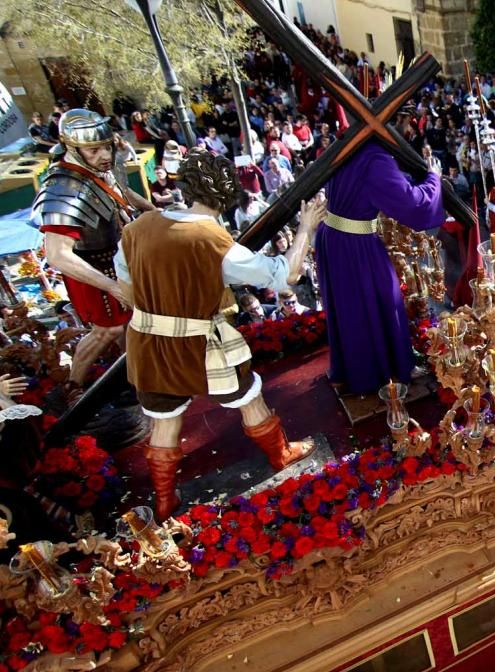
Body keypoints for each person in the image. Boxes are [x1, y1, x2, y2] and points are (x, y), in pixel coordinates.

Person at [115, 152, 321, 519]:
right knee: (249, 398)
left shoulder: (136, 229)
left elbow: (125, 288)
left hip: (148, 343)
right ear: (228, 196)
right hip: (203, 341)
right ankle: (281, 454)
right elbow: (284, 275)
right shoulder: (211, 239)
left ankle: (165, 499)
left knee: (164, 421)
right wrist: (306, 227)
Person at [314, 131, 457, 395]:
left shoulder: (349, 143)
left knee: (350, 307)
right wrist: (432, 179)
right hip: (355, 245)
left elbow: (375, 185)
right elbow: (414, 204)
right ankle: (375, 373)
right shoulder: (375, 158)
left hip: (335, 237)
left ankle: (358, 368)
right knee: (381, 300)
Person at [34, 109, 157, 391]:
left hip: (116, 257)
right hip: (88, 267)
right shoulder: (62, 188)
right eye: (93, 150)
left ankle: (137, 378)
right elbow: (57, 254)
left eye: (106, 146)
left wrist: (153, 211)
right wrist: (111, 286)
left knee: (132, 321)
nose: (104, 155)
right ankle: (72, 388)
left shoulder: (104, 166)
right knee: (107, 330)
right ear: (72, 149)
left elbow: (120, 193)